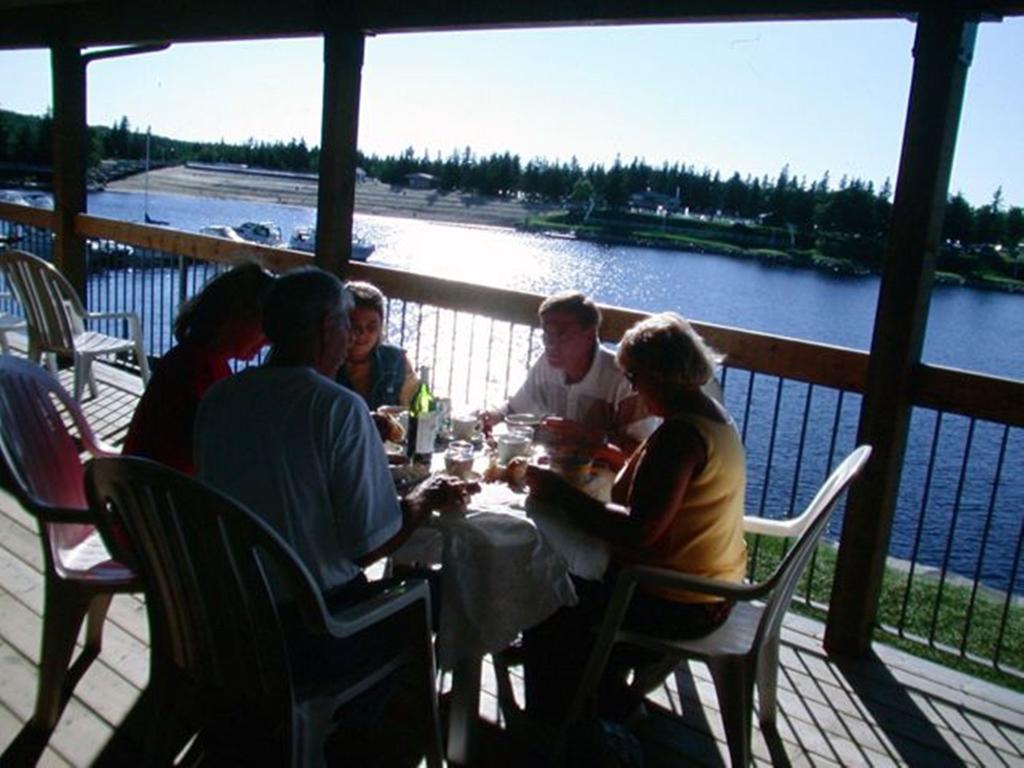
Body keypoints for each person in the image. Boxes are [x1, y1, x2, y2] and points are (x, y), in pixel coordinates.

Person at [194, 266, 470, 605]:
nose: (351, 338)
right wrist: (424, 498)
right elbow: (369, 546)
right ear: (328, 327)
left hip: (233, 599)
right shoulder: (336, 407)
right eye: (346, 324)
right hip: (313, 615)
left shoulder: (219, 397)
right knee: (454, 596)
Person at [522, 312, 748, 724]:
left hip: (675, 601)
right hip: (713, 586)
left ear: (659, 375)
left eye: (634, 376)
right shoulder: (711, 416)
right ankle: (601, 694)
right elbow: (660, 490)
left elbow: (637, 532)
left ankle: (560, 726)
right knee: (561, 575)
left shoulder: (680, 437)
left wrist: (558, 493)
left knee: (545, 598)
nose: (631, 386)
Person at [122, 262, 274, 475]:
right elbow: (221, 456)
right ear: (236, 318)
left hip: (137, 491)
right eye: (265, 327)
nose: (268, 340)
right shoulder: (202, 374)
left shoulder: (187, 358)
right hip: (165, 497)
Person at [483, 291, 659, 461]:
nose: (551, 344)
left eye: (562, 335)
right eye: (547, 334)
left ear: (590, 336)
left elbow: (643, 453)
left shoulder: (622, 380)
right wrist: (493, 415)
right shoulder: (546, 365)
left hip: (604, 482)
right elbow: (516, 409)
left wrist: (591, 437)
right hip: (555, 469)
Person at [336, 280, 419, 411]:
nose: (363, 334)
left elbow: (418, 408)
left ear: (381, 327)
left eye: (371, 327)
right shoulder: (324, 362)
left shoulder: (397, 361)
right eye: (355, 326)